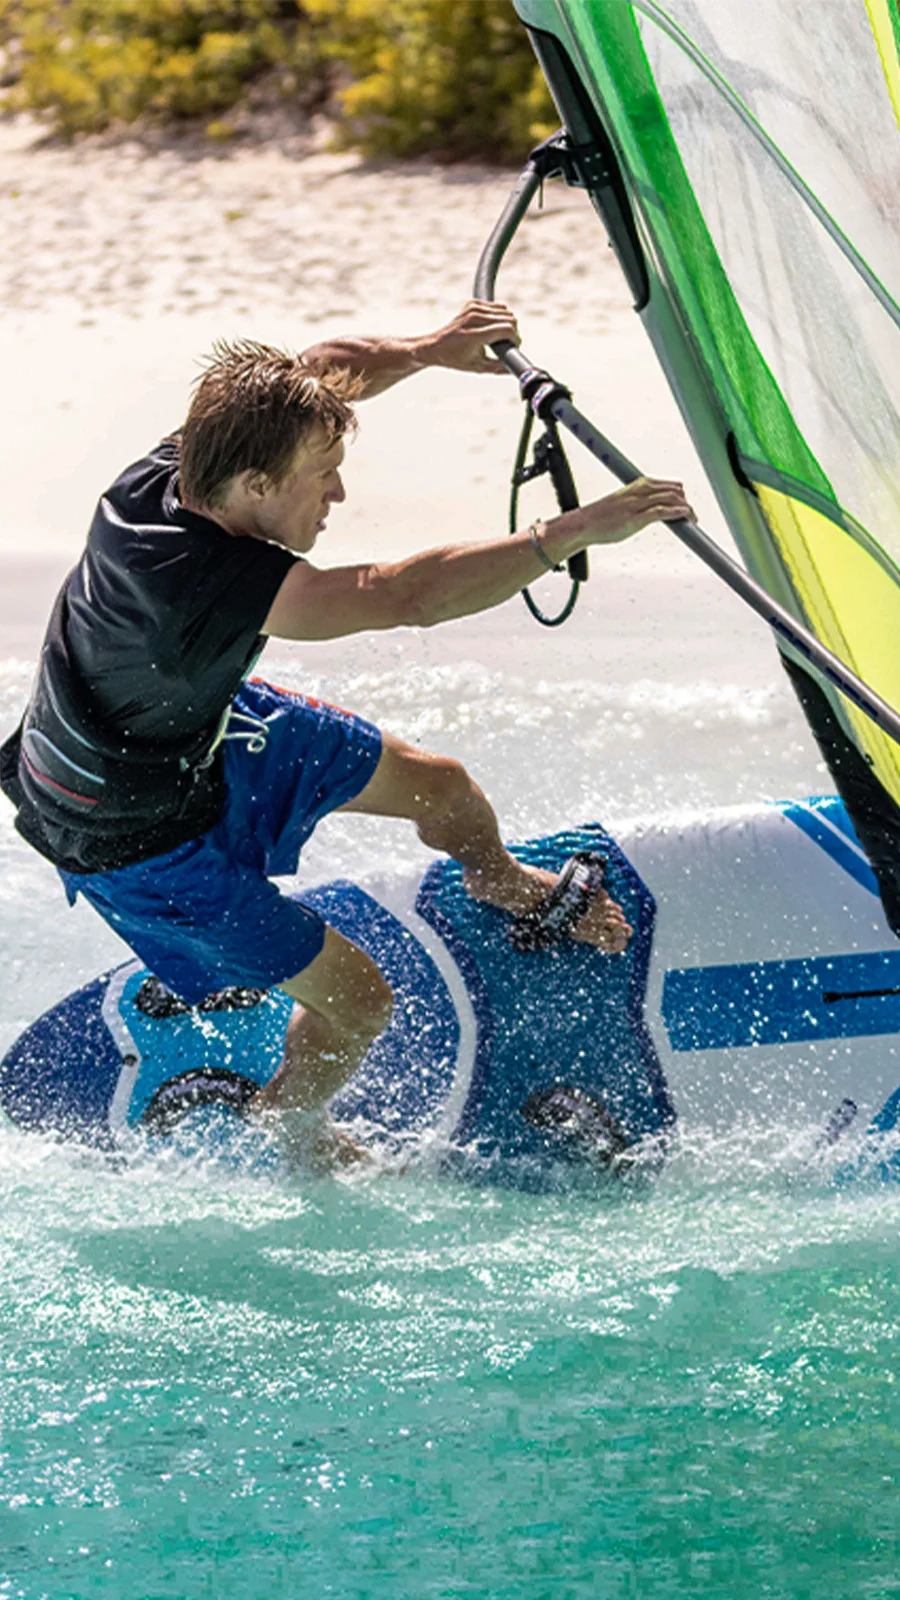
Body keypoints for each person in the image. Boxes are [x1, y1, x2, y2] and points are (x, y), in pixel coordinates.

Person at [0, 300, 694, 1165]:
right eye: (320, 473)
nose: (338, 492)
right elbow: (402, 595)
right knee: (362, 1003)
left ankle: (499, 878)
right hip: (125, 832)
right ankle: (292, 1132)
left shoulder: (181, 463)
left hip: (186, 732)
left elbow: (319, 368)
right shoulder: (208, 587)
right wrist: (570, 532)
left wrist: (433, 349)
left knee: (440, 787)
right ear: (255, 486)